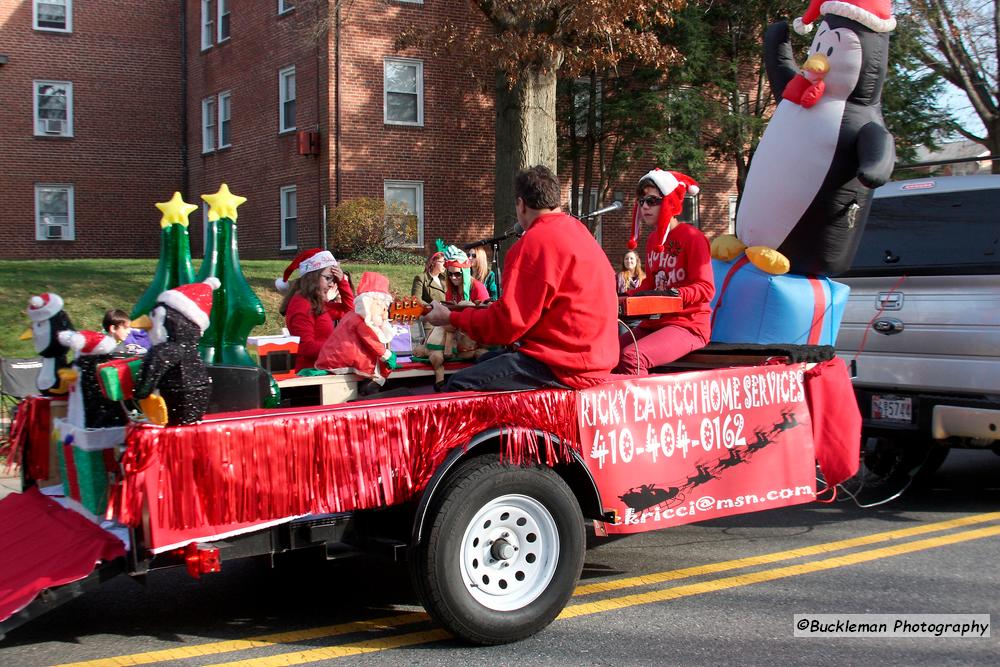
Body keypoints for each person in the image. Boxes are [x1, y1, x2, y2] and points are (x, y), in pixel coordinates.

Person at [425, 165, 619, 391]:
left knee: (459, 384)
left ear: (521, 204)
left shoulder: (532, 245)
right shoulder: (581, 232)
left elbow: (508, 325)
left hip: (563, 367)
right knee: (484, 362)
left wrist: (452, 318)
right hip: (593, 359)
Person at [616, 169, 714, 375]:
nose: (644, 206)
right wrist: (622, 297)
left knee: (632, 356)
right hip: (655, 323)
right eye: (641, 201)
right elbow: (650, 285)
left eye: (652, 200)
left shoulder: (692, 237)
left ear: (669, 202)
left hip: (688, 326)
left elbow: (706, 288)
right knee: (606, 352)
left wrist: (676, 295)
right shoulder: (653, 240)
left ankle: (644, 407)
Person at [277, 248, 355, 372]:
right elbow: (306, 347)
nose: (331, 284)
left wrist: (342, 282)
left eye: (333, 280)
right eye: (328, 278)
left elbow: (349, 310)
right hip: (310, 375)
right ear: (312, 277)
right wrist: (339, 347)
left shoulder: (316, 304)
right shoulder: (301, 305)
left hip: (321, 370)